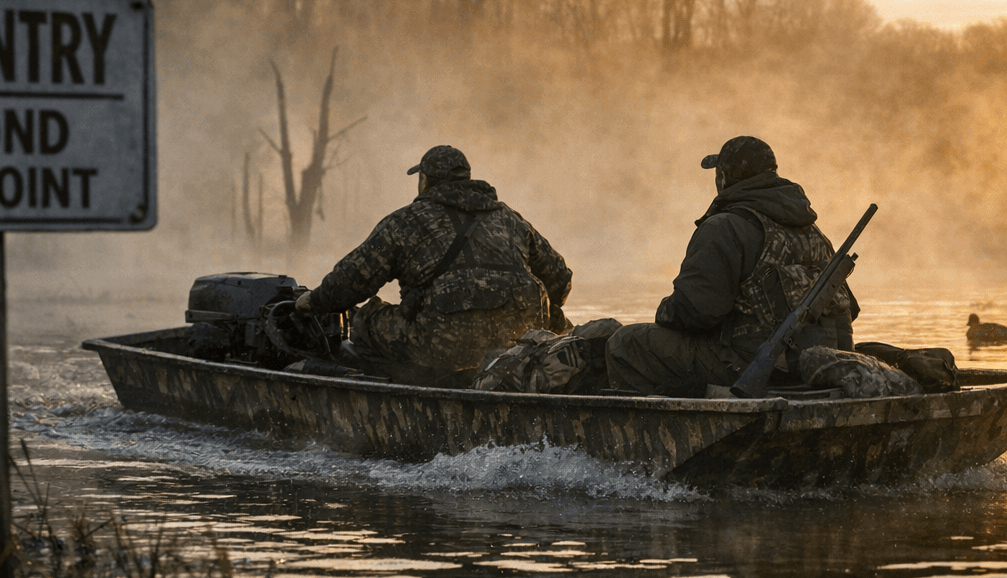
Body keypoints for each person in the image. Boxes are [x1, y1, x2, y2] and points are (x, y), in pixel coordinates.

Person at [293, 145, 573, 387]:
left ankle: (400, 384)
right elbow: (560, 281)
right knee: (557, 319)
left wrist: (312, 303)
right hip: (517, 343)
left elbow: (352, 281)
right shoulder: (512, 220)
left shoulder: (406, 222)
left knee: (364, 320)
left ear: (425, 181)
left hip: (442, 347)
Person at [605, 135, 858, 397]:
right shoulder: (813, 231)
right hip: (816, 365)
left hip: (751, 365)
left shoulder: (724, 226)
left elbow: (696, 313)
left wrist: (665, 311)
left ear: (724, 177)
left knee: (625, 343)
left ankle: (652, 420)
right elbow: (849, 308)